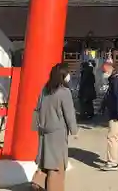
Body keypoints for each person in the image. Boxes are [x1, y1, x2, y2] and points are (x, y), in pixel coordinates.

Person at [31, 63, 78, 191]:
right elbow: (69, 113)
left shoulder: (45, 89)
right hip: (57, 133)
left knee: (44, 161)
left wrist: (36, 127)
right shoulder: (64, 92)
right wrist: (74, 130)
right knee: (56, 166)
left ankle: (38, 182)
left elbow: (37, 109)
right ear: (63, 75)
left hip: (43, 131)